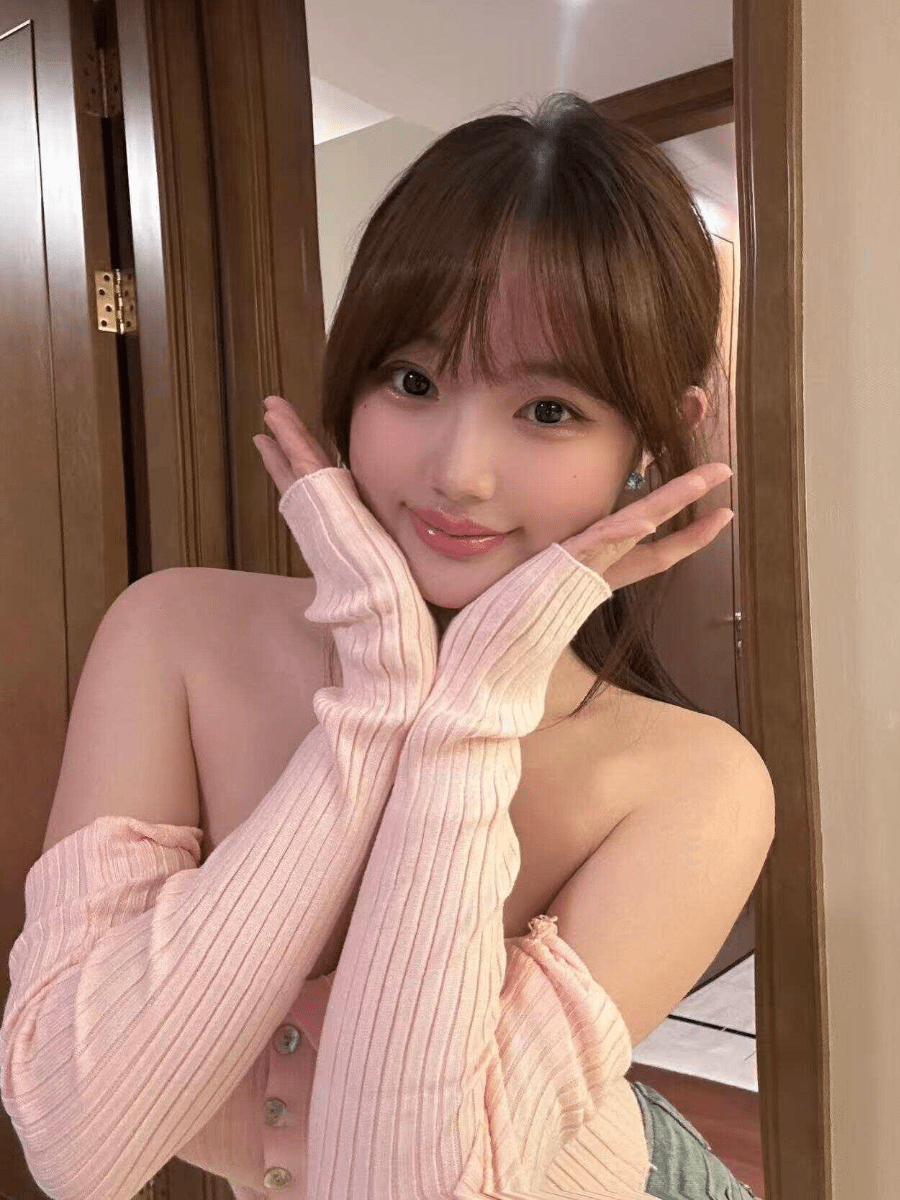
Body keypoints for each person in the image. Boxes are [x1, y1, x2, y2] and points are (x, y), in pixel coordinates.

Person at [1, 92, 772, 1199]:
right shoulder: (174, 636)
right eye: (413, 382)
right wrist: (373, 707)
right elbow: (79, 1148)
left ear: (653, 437)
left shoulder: (695, 781)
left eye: (550, 410)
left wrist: (462, 723)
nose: (459, 472)